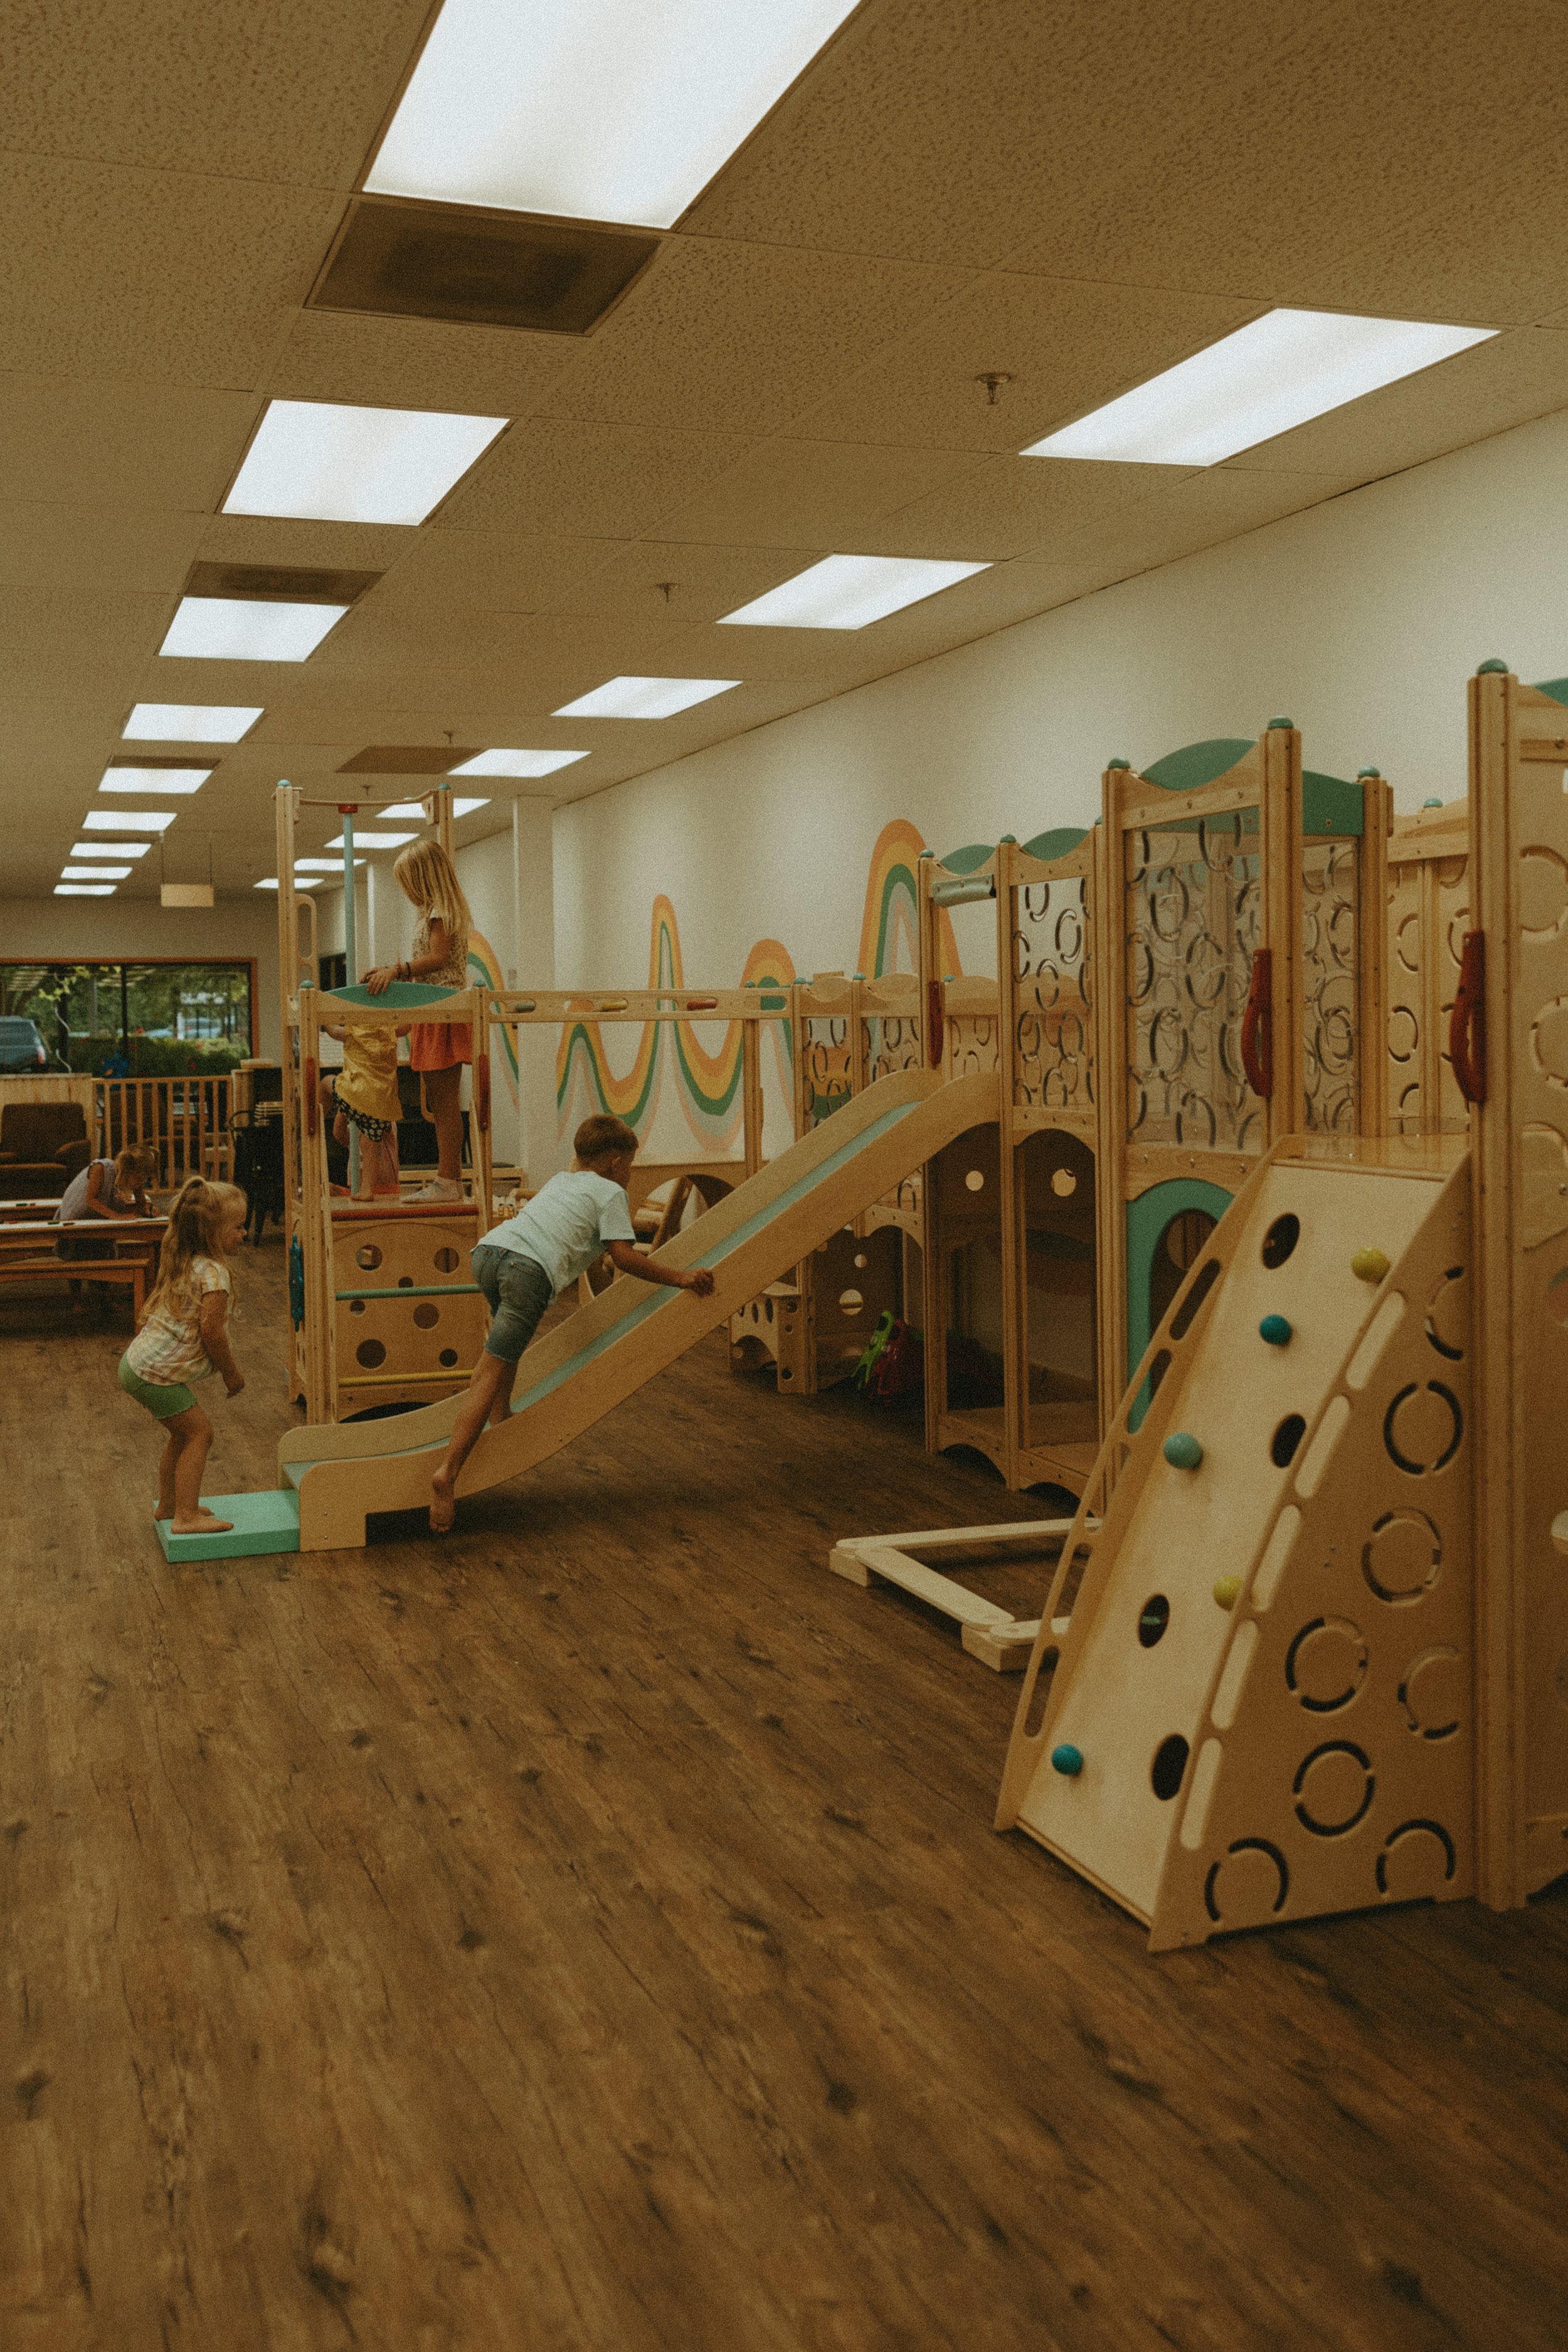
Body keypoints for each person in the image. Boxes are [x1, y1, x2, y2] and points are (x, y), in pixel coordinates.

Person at [428, 1113, 717, 1534]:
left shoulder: (564, 1180)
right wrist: (681, 1278)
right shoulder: (609, 1193)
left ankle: (501, 1415)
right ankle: (447, 1474)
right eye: (631, 1167)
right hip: (527, 1271)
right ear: (615, 1162)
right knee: (489, 1370)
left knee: (508, 1348)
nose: (630, 1175)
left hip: (489, 1254)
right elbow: (624, 1256)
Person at [117, 1177, 248, 1537]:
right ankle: (186, 1516)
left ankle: (170, 1505)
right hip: (154, 1373)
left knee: (181, 1434)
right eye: (237, 1227)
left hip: (137, 1365)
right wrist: (231, 1374)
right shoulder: (214, 1273)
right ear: (211, 1232)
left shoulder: (188, 1260)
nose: (244, 1233)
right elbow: (212, 1332)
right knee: (200, 1434)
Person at [363, 839, 472, 1204]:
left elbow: (439, 959)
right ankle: (448, 1179)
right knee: (441, 1104)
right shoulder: (431, 912)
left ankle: (449, 1181)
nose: (406, 891)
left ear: (423, 878)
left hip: (442, 1010)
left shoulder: (441, 911)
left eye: (409, 881)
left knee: (444, 1104)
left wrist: (398, 970)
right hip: (430, 1010)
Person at [320, 1015, 410, 1199]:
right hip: (382, 1101)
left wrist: (322, 1015)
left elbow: (333, 1030)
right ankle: (367, 1190)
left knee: (325, 1082)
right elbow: (406, 1026)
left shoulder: (353, 1030)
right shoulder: (389, 1030)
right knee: (371, 1142)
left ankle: (314, 1118)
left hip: (357, 1093)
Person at [52, 1143, 158, 1268]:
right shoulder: (101, 1168)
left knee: (103, 1253)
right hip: (78, 1216)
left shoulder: (135, 1176)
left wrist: (148, 1211)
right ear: (127, 1170)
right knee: (77, 1257)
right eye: (138, 1178)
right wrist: (116, 1216)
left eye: (144, 1179)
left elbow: (141, 1203)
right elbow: (90, 1200)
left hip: (101, 1218)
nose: (140, 1182)